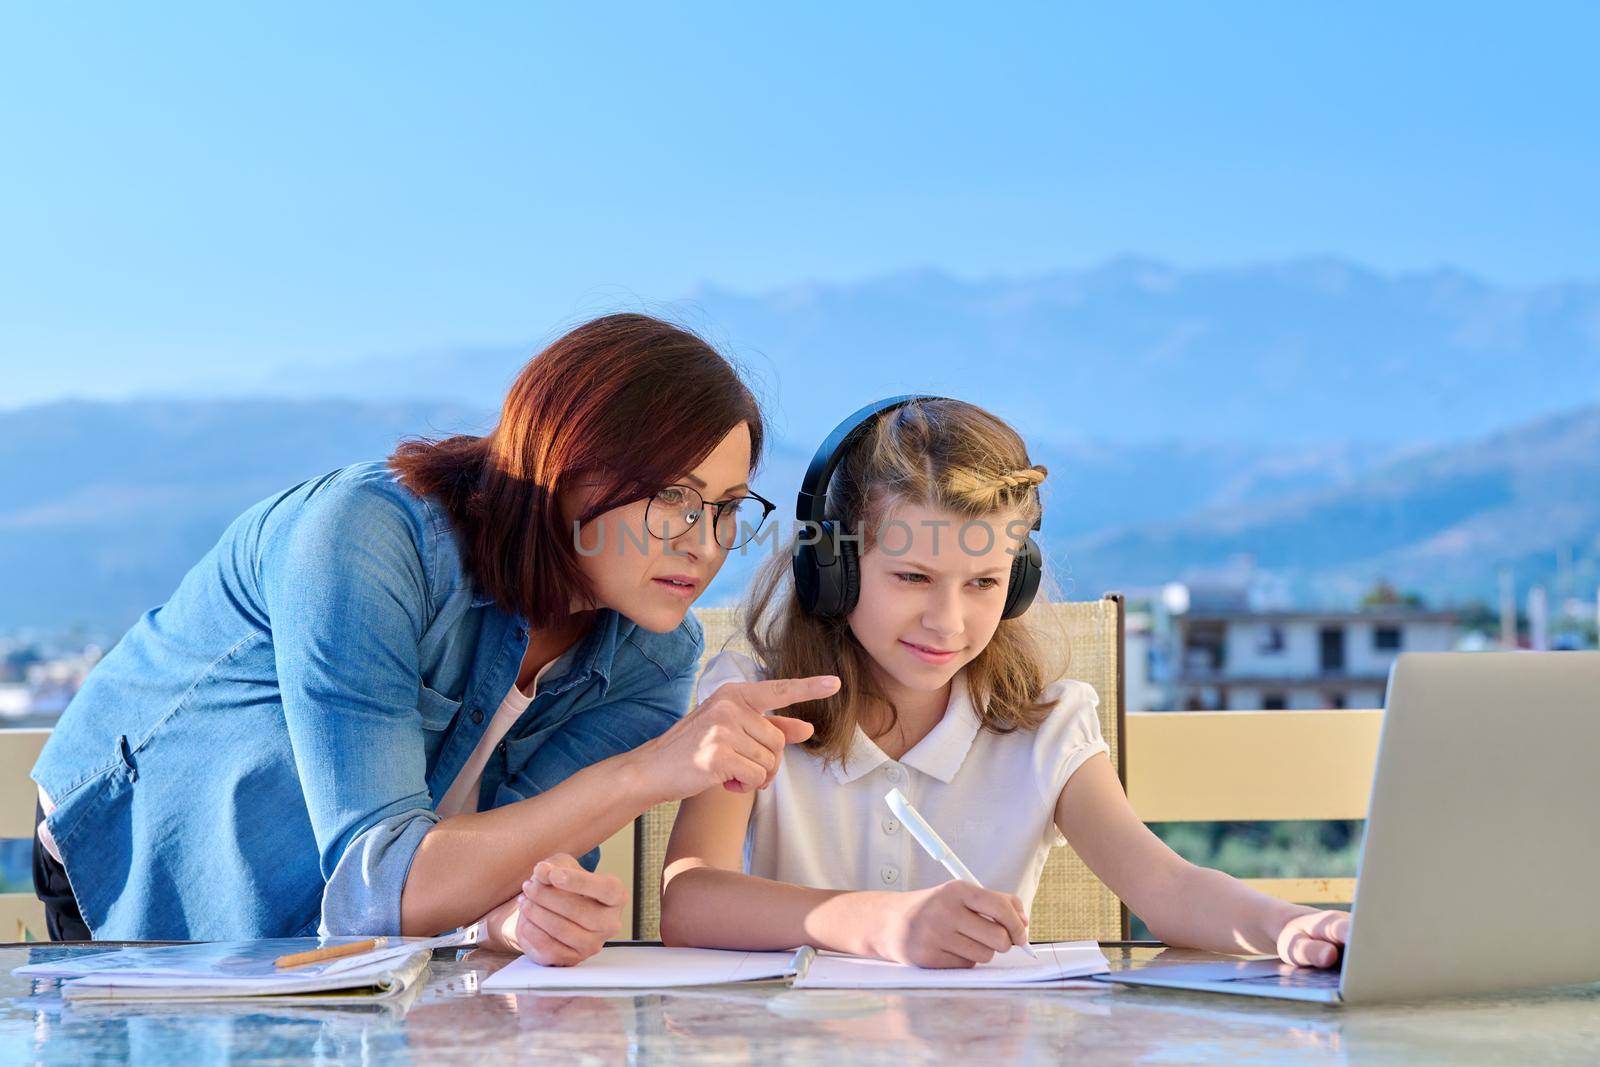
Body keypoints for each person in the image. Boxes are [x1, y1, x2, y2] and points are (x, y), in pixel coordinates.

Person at [32, 313, 838, 960]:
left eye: (730, 506)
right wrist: (647, 774)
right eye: (674, 497)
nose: (706, 542)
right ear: (568, 465)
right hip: (143, 873)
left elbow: (499, 879)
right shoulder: (366, 538)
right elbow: (380, 889)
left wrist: (520, 919)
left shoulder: (654, 653)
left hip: (352, 944)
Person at [660, 397, 1349, 968]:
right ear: (831, 569)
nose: (948, 620)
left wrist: (1287, 926)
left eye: (984, 582)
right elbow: (688, 901)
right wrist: (880, 922)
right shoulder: (755, 696)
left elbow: (1164, 885)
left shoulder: (1047, 723)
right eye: (912, 577)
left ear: (1016, 582)